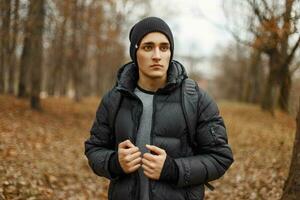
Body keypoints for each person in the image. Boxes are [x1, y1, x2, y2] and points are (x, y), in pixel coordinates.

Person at [84, 17, 234, 200]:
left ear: (170, 52)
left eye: (164, 47)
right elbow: (94, 149)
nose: (157, 55)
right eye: (148, 47)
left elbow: (220, 157)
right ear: (135, 52)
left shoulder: (195, 99)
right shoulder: (114, 99)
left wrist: (174, 169)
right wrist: (114, 163)